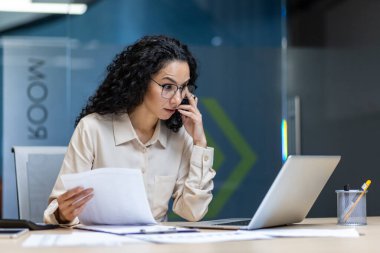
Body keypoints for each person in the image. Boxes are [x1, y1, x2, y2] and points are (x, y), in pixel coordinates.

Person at [43, 35, 216, 225]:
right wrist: (63, 214)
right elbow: (56, 210)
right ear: (140, 80)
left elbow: (193, 212)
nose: (176, 100)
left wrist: (200, 143)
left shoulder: (180, 136)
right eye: (167, 87)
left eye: (182, 88)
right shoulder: (92, 128)